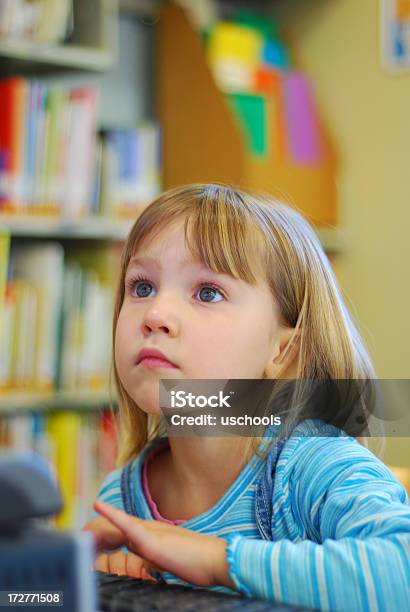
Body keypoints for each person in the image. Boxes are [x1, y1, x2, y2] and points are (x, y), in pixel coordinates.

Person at [83, 184, 410, 611]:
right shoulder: (120, 499)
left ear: (283, 351)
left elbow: (400, 570)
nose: (155, 315)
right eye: (142, 287)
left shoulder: (311, 464)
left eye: (207, 292)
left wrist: (216, 560)